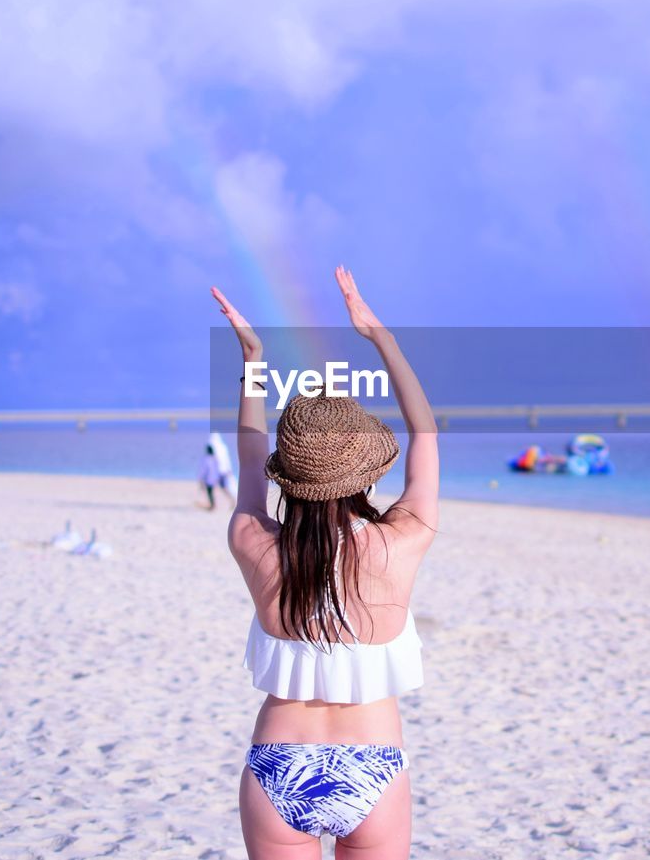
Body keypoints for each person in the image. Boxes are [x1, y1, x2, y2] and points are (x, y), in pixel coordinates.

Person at [211, 266, 438, 858]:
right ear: (365, 471)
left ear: (290, 476)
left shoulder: (254, 541)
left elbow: (250, 455)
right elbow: (425, 434)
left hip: (278, 765)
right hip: (373, 765)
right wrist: (381, 338)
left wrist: (254, 360)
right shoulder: (401, 540)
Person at [198, 443, 225, 510]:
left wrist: (200, 478)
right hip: (215, 477)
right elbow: (218, 468)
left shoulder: (207, 459)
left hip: (209, 478)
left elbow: (204, 469)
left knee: (209, 492)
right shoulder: (215, 458)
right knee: (211, 492)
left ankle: (212, 505)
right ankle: (213, 504)